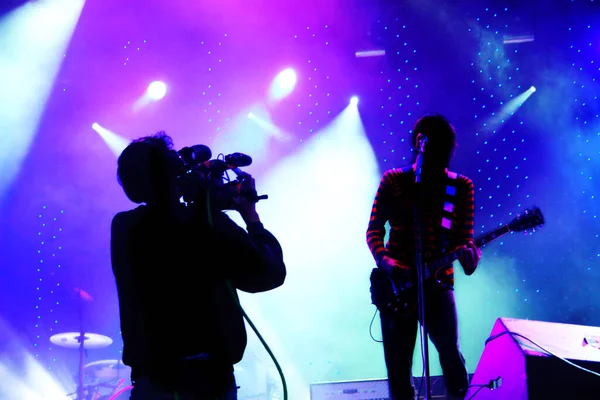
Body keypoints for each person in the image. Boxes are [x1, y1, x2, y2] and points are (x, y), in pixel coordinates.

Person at [110, 132, 286, 400]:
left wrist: (206, 201)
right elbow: (268, 274)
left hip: (152, 383)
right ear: (169, 175)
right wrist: (250, 216)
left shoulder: (124, 228)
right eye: (177, 164)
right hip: (207, 383)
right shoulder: (200, 223)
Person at [366, 114, 481, 400]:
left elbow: (465, 241)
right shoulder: (393, 180)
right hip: (397, 285)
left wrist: (470, 260)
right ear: (419, 141)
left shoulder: (461, 187)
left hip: (438, 284)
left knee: (451, 357)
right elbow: (374, 229)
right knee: (398, 365)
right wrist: (386, 261)